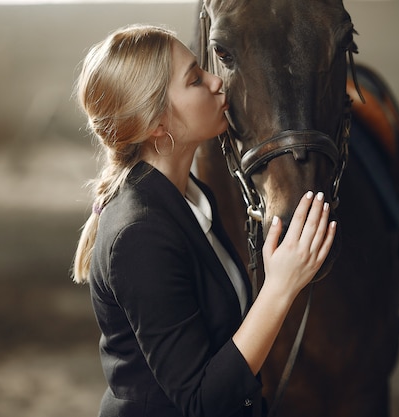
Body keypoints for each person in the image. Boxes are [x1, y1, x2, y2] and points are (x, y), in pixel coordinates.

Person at [72, 24, 336, 417]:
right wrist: (279, 288)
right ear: (156, 124)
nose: (217, 82)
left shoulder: (192, 195)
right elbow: (201, 402)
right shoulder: (139, 234)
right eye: (196, 79)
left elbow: (218, 341)